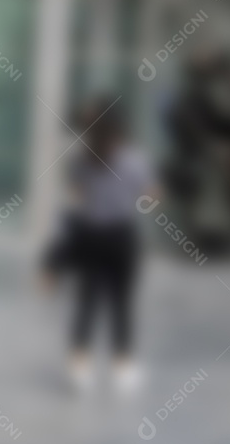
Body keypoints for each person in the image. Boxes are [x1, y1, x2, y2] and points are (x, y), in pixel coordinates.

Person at [62, 94, 160, 397]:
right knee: (120, 302)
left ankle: (80, 363)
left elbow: (77, 195)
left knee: (88, 300)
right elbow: (152, 195)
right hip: (121, 235)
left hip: (93, 234)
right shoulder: (132, 159)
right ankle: (123, 365)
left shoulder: (84, 159)